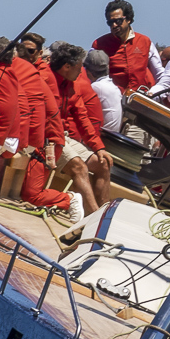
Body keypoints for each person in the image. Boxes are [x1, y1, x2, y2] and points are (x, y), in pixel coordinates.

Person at [49, 44, 113, 214]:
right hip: (48, 136)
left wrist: (99, 148)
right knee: (79, 167)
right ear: (66, 67)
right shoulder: (45, 80)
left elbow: (82, 117)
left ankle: (103, 215)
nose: (81, 72)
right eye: (79, 67)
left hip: (63, 136)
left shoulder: (71, 85)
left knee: (103, 164)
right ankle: (93, 218)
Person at [90, 0, 170, 94]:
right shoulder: (99, 45)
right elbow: (90, 76)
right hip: (114, 101)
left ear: (128, 19)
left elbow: (159, 74)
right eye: (110, 22)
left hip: (141, 100)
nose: (114, 25)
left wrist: (154, 92)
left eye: (118, 21)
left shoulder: (145, 42)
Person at [83, 49, 122, 133]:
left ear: (88, 71)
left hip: (104, 137)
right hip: (113, 135)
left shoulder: (96, 87)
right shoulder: (113, 86)